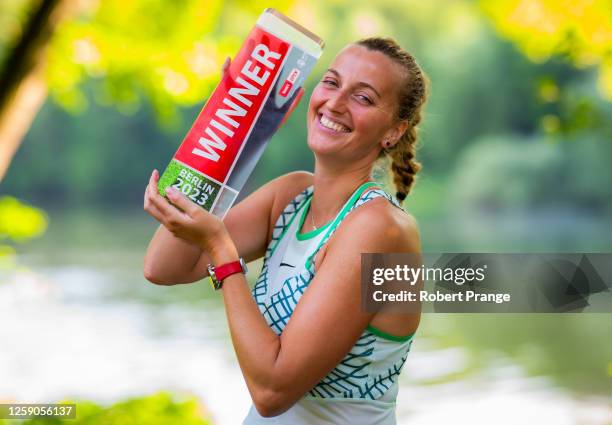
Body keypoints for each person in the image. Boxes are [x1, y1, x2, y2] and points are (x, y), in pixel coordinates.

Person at [143, 36, 428, 424]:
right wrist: (235, 124)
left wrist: (221, 250)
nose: (335, 103)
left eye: (363, 98)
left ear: (394, 131)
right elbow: (163, 267)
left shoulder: (381, 228)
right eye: (331, 82)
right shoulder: (291, 196)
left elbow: (272, 391)